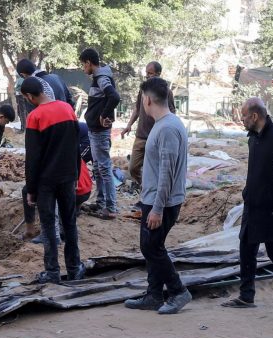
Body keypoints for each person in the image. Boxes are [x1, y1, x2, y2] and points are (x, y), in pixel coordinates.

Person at [124, 77, 190, 315]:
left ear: (148, 100)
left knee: (151, 248)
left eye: (142, 98)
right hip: (154, 199)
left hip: (162, 202)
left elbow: (167, 172)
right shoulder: (163, 125)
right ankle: (153, 295)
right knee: (152, 246)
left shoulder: (168, 128)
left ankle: (178, 291)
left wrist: (158, 208)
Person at [221, 98, 273, 309]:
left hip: (272, 208)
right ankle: (246, 296)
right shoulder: (253, 138)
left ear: (254, 116)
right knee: (246, 246)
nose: (242, 120)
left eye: (244, 116)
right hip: (253, 203)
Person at [20, 77, 83, 285]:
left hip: (45, 182)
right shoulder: (67, 109)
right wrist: (76, 174)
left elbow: (33, 157)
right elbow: (75, 145)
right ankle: (74, 268)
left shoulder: (35, 116)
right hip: (68, 177)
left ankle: (52, 272)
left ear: (30, 96)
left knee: (48, 227)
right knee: (69, 223)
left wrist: (31, 189)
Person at [121, 61, 174, 219]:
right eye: (146, 73)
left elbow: (171, 111)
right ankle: (147, 191)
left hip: (155, 137)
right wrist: (129, 125)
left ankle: (150, 200)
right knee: (133, 168)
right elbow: (137, 109)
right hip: (141, 135)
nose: (147, 76)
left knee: (155, 170)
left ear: (158, 74)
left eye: (150, 73)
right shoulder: (143, 90)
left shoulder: (166, 92)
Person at [80, 48, 121, 219]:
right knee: (98, 168)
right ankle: (101, 203)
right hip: (94, 130)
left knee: (104, 168)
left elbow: (114, 97)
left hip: (100, 132)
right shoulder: (99, 78)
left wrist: (104, 115)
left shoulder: (102, 78)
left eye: (83, 65)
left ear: (89, 62)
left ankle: (110, 208)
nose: (83, 68)